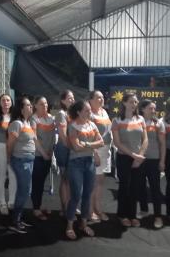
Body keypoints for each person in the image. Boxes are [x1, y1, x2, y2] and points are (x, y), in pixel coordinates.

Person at [7, 96, 49, 234]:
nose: (31, 107)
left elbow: (35, 141)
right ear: (21, 108)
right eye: (28, 105)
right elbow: (10, 144)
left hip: (30, 160)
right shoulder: (17, 124)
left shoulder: (28, 123)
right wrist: (9, 160)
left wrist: (44, 154)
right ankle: (15, 221)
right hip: (20, 161)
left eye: (31, 105)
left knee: (26, 191)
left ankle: (18, 218)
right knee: (24, 191)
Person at [65, 100, 103, 240]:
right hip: (76, 163)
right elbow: (75, 147)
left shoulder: (92, 124)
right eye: (87, 110)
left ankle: (83, 224)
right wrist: (91, 146)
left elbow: (101, 142)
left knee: (87, 194)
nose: (89, 112)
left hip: (90, 162)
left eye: (89, 110)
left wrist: (86, 144)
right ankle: (69, 226)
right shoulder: (73, 126)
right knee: (76, 195)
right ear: (79, 112)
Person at [112, 92, 148, 227]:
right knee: (124, 187)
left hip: (138, 159)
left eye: (135, 102)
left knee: (135, 188)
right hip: (124, 158)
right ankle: (122, 215)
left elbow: (145, 140)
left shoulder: (141, 119)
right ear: (124, 103)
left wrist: (140, 156)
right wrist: (134, 156)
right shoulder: (117, 121)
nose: (134, 104)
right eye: (131, 101)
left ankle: (132, 215)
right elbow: (117, 143)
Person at [138, 100, 166, 228]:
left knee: (155, 189)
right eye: (151, 108)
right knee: (141, 187)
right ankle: (144, 210)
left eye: (154, 109)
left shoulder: (158, 123)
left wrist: (162, 161)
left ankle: (158, 216)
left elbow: (162, 144)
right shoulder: (136, 121)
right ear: (143, 109)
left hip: (154, 160)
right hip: (139, 160)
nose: (153, 111)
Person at [30, 96, 55, 221]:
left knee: (41, 182)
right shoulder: (33, 119)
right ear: (35, 105)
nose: (44, 106)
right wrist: (44, 154)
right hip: (38, 156)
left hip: (48, 156)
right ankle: (36, 209)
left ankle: (38, 205)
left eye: (45, 103)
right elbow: (34, 139)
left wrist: (50, 153)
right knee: (37, 183)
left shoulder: (51, 118)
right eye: (41, 104)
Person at [88, 90, 112, 222]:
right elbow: (89, 136)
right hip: (96, 152)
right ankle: (91, 210)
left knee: (100, 182)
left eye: (102, 97)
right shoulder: (89, 114)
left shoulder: (104, 112)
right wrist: (94, 153)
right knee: (93, 183)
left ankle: (97, 208)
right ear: (90, 100)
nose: (101, 99)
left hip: (106, 152)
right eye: (98, 97)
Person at [54, 90, 75, 216]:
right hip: (64, 149)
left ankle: (70, 206)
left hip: (72, 149)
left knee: (71, 180)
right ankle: (64, 207)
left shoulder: (72, 114)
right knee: (65, 179)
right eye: (69, 98)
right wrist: (74, 148)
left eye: (73, 98)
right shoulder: (61, 114)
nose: (72, 100)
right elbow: (62, 136)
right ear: (62, 100)